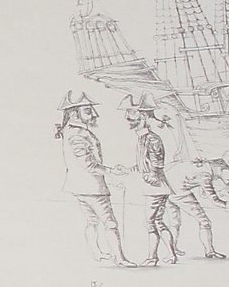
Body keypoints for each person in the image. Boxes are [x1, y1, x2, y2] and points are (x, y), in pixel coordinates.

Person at [57, 91, 136, 266]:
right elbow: (89, 164)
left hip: (81, 187)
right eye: (88, 111)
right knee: (111, 223)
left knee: (92, 222)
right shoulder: (77, 134)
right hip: (92, 188)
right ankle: (120, 259)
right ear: (74, 114)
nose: (94, 114)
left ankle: (97, 253)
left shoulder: (71, 131)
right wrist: (111, 172)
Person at [124, 95, 179, 266]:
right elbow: (144, 163)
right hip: (153, 187)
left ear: (143, 117)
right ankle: (169, 255)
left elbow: (157, 161)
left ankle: (153, 257)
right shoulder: (142, 138)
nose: (129, 121)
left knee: (150, 222)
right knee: (157, 222)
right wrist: (129, 170)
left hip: (156, 187)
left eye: (132, 118)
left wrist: (153, 174)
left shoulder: (152, 138)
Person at [166, 151, 229, 260]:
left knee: (174, 222)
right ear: (222, 168)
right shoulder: (205, 175)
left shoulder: (205, 167)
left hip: (165, 190)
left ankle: (172, 249)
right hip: (178, 192)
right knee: (205, 222)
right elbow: (214, 200)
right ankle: (210, 251)